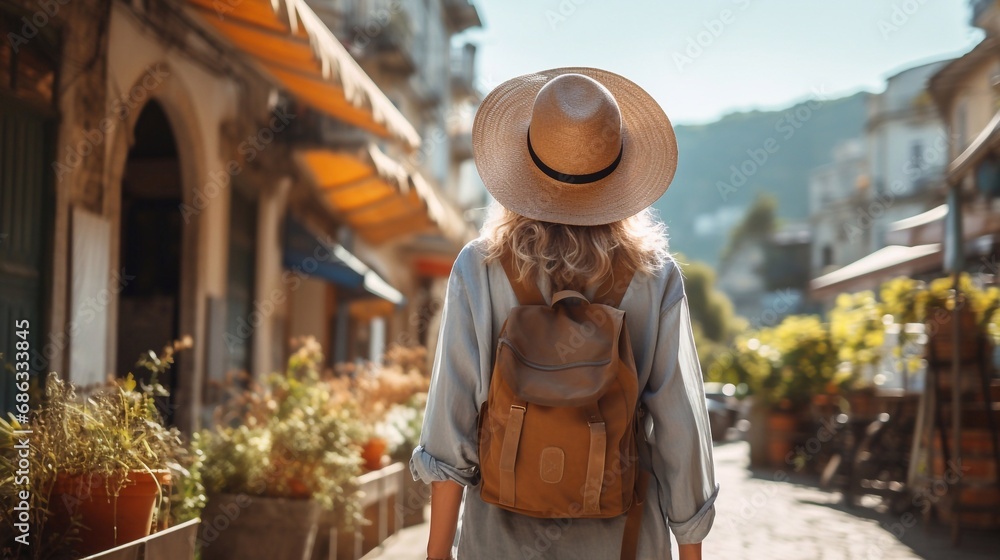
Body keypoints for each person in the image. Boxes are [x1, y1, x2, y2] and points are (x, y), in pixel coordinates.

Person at [410, 67, 719, 560]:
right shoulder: (655, 278)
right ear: (620, 173)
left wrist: (437, 553)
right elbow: (680, 426)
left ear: (523, 167)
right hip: (623, 538)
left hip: (498, 540)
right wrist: (691, 551)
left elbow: (453, 417)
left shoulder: (479, 267)